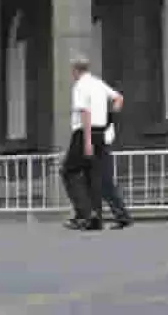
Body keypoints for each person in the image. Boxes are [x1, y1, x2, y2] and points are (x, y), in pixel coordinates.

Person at [60, 57, 119, 232]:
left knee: (68, 171)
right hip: (100, 132)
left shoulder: (80, 86)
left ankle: (84, 214)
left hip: (84, 133)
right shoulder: (99, 83)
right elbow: (118, 98)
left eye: (72, 71)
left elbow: (85, 112)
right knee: (91, 175)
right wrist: (110, 119)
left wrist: (87, 141)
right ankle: (96, 219)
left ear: (75, 70)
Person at [96, 92, 133, 230]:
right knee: (102, 186)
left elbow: (119, 101)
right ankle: (121, 217)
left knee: (106, 186)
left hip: (101, 151)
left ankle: (123, 217)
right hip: (98, 150)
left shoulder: (104, 117)